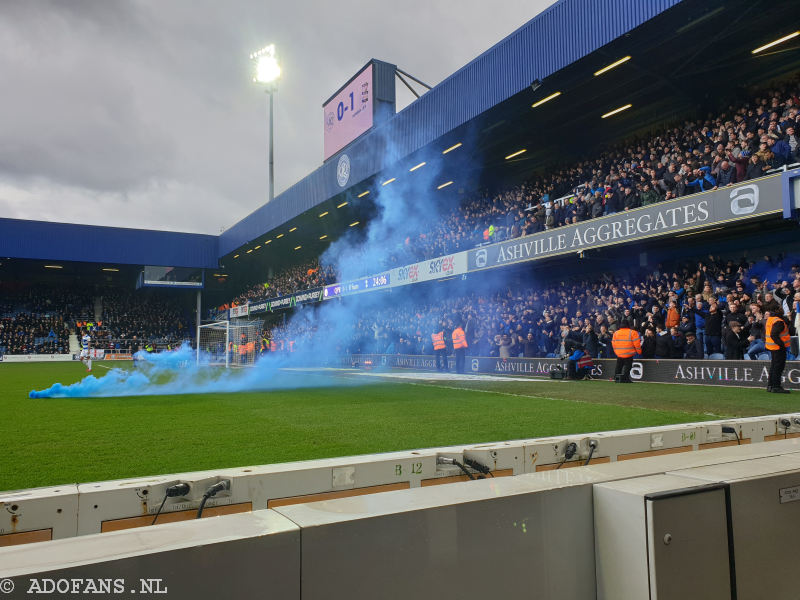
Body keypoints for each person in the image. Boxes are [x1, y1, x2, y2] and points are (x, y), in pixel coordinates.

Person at [765, 314, 791, 393]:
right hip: (778, 347)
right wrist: (782, 345)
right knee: (778, 367)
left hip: (772, 346)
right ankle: (776, 386)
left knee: (773, 366)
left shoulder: (770, 319)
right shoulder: (778, 321)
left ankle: (771, 385)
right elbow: (774, 334)